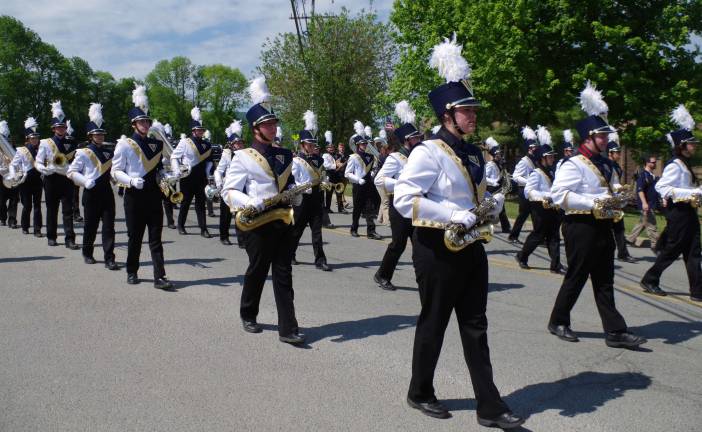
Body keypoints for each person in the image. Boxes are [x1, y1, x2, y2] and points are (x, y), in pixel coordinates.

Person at [394, 35, 524, 429]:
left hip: (471, 246)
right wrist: (452, 213)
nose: (474, 116)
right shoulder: (428, 151)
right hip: (436, 249)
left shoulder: (472, 152)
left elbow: (475, 193)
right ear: (447, 115)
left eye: (474, 110)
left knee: (476, 325)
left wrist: (492, 204)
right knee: (434, 322)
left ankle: (490, 405)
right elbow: (404, 198)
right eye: (467, 111)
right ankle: (420, 392)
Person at [548, 81, 646, 349]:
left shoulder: (605, 163)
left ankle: (615, 331)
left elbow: (608, 187)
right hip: (580, 225)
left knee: (605, 279)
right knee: (577, 275)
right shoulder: (574, 163)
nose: (607, 140)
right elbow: (559, 195)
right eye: (602, 136)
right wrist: (595, 202)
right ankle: (558, 320)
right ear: (589, 137)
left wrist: (618, 194)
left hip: (602, 225)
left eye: (606, 136)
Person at [221, 76, 304, 345]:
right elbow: (228, 191)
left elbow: (288, 182)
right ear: (256, 129)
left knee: (283, 271)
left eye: (274, 123)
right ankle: (248, 313)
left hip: (282, 218)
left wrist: (296, 195)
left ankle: (288, 328)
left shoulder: (285, 154)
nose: (273, 127)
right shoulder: (242, 156)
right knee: (257, 268)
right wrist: (248, 202)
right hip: (256, 221)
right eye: (267, 124)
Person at [111, 85, 173, 290]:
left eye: (147, 121)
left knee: (156, 239)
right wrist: (130, 181)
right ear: (134, 124)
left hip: (154, 196)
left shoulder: (156, 144)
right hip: (134, 196)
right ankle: (132, 271)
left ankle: (160, 276)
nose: (145, 124)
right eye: (141, 122)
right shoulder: (125, 144)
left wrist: (165, 174)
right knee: (135, 237)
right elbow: (115, 170)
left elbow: (159, 167)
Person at [640, 105, 702, 301]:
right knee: (673, 249)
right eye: (692, 144)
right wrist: (692, 192)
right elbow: (663, 187)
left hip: (688, 212)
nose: (695, 146)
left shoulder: (684, 163)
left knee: (694, 252)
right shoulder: (675, 164)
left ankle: (697, 290)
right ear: (682, 145)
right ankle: (650, 278)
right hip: (679, 213)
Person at [373, 100, 421, 291]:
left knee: (421, 247)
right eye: (416, 138)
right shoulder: (396, 158)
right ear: (407, 140)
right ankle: (382, 275)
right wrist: (402, 185)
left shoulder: (420, 156)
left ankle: (424, 280)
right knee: (398, 244)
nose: (420, 140)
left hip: (418, 206)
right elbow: (379, 180)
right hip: (399, 206)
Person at [67, 103, 119, 270]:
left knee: (109, 227)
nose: (100, 137)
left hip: (106, 192)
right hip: (91, 192)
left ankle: (109, 257)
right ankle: (87, 252)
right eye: (97, 134)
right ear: (90, 136)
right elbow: (72, 171)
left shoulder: (109, 152)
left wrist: (116, 179)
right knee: (91, 226)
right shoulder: (83, 152)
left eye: (102, 134)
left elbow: (111, 172)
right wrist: (84, 181)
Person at [515, 127, 564, 273]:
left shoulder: (551, 171)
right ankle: (522, 256)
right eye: (550, 156)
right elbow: (528, 191)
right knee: (538, 235)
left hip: (553, 208)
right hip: (540, 209)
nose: (552, 159)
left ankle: (555, 265)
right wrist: (544, 196)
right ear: (543, 158)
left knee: (554, 237)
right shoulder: (536, 173)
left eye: (553, 156)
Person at [35, 101, 80, 249]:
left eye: (63, 127)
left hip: (67, 179)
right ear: (54, 128)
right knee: (52, 210)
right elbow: (38, 162)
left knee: (68, 210)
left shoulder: (72, 142)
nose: (61, 129)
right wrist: (43, 169)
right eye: (58, 127)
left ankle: (70, 239)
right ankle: (51, 236)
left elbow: (75, 161)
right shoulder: (45, 143)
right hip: (51, 180)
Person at [290, 110, 331, 271]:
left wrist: (325, 182)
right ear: (302, 144)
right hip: (302, 199)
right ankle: (290, 254)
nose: (312, 146)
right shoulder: (297, 161)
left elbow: (322, 175)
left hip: (316, 198)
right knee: (296, 230)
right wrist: (303, 188)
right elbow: (294, 180)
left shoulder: (320, 160)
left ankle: (320, 260)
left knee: (317, 231)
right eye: (309, 144)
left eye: (313, 144)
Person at [172, 107, 213, 237]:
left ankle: (203, 229)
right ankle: (181, 225)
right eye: (198, 130)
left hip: (201, 178)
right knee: (185, 203)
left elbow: (209, 162)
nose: (201, 132)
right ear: (193, 131)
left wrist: (208, 174)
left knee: (201, 204)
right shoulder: (185, 142)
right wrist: (177, 169)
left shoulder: (207, 145)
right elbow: (174, 156)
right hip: (188, 177)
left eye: (202, 130)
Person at [345, 121, 382, 240]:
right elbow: (347, 173)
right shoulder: (353, 157)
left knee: (371, 207)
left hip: (369, 184)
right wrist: (357, 179)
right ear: (357, 145)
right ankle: (354, 228)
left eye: (365, 144)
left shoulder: (370, 156)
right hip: (358, 185)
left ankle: (371, 231)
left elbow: (372, 168)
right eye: (362, 144)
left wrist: (371, 173)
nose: (364, 146)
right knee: (357, 208)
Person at [10, 118, 43, 236]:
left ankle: (37, 229)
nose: (34, 140)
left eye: (36, 138)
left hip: (38, 179)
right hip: (26, 180)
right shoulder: (22, 150)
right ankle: (25, 226)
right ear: (28, 139)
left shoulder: (42, 149)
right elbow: (13, 165)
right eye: (32, 138)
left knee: (37, 205)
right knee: (27, 205)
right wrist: (15, 175)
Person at [216, 120, 247, 247]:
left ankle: (242, 240)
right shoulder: (227, 155)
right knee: (226, 215)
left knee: (240, 214)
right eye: (237, 143)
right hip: (228, 188)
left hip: (241, 188)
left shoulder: (246, 154)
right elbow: (218, 171)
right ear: (232, 145)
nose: (239, 145)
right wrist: (219, 184)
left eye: (241, 142)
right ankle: (224, 236)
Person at [606, 133, 636, 263]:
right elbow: (608, 184)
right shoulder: (606, 165)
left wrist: (622, 190)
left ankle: (623, 253)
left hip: (615, 200)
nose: (619, 154)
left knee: (619, 228)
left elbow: (616, 182)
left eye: (619, 152)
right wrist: (620, 188)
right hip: (607, 201)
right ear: (610, 153)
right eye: (616, 152)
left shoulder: (617, 166)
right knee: (605, 230)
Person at [508, 126, 539, 244]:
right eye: (533, 148)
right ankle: (513, 236)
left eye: (536, 147)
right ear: (529, 149)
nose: (535, 149)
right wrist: (529, 182)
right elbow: (515, 176)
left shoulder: (536, 160)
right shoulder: (524, 161)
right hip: (524, 190)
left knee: (536, 215)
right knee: (523, 215)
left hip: (533, 191)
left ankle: (539, 237)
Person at [626, 156, 660, 251]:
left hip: (651, 204)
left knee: (643, 222)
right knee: (651, 224)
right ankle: (656, 245)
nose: (655, 164)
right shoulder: (643, 175)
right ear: (647, 162)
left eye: (655, 162)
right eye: (652, 162)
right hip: (646, 204)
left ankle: (630, 239)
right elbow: (640, 190)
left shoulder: (652, 175)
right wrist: (644, 203)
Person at [484, 136, 511, 233]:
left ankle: (506, 227)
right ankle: (504, 227)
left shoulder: (500, 164)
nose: (500, 155)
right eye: (498, 154)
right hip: (491, 189)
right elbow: (485, 177)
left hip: (499, 189)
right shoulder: (490, 165)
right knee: (491, 209)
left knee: (501, 208)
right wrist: (493, 181)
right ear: (494, 155)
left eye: (500, 154)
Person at [0, 121, 19, 229]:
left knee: (14, 200)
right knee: (1, 201)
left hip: (13, 177)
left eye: (7, 138)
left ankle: (12, 220)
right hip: (1, 177)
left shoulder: (15, 150)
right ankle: (2, 218)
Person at [321, 133, 337, 228]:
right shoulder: (325, 155)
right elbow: (326, 165)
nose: (331, 149)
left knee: (330, 192)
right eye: (330, 148)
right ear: (327, 149)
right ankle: (326, 208)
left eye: (332, 148)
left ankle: (328, 207)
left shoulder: (332, 156)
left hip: (333, 174)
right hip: (327, 175)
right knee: (327, 191)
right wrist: (336, 165)